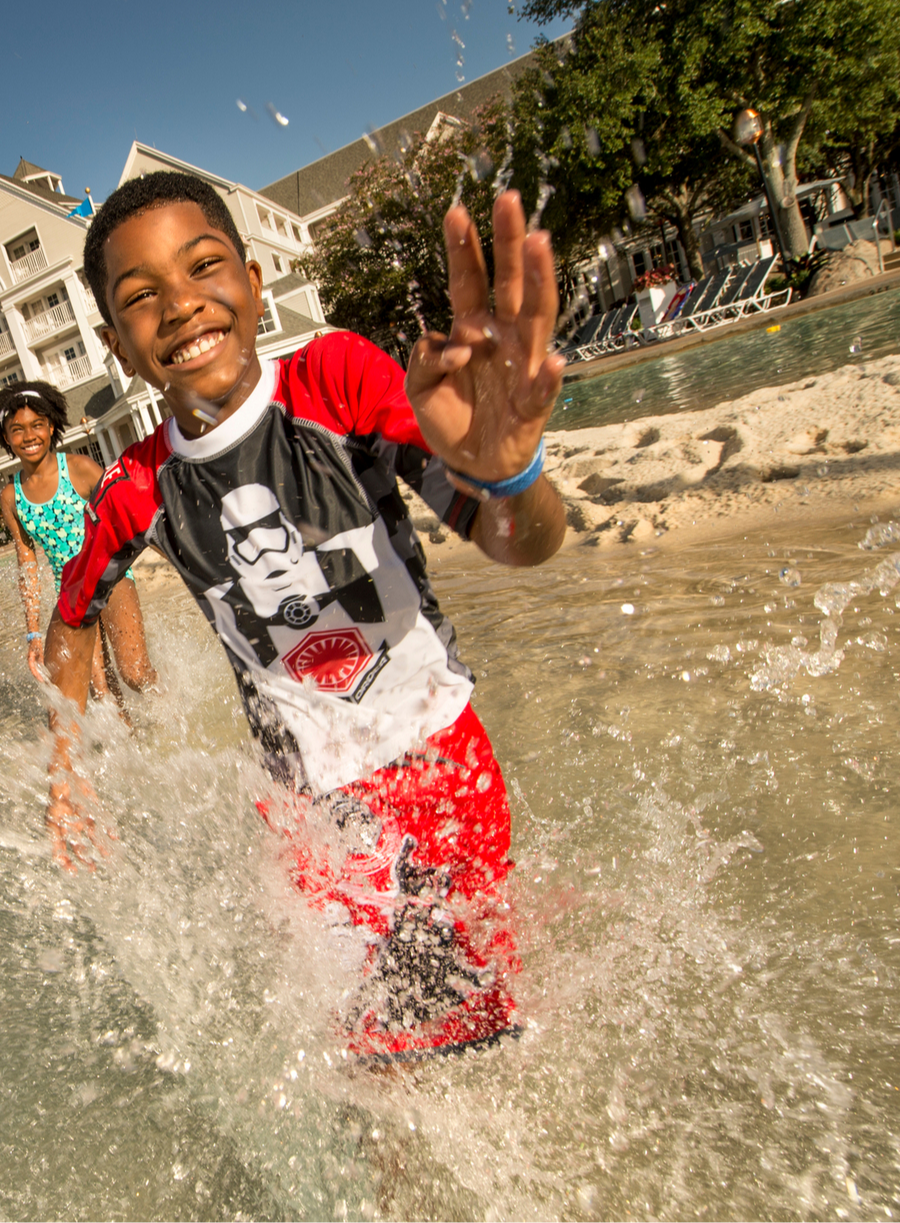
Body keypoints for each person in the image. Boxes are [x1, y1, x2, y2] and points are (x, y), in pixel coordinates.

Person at [42, 172, 567, 1064]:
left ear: (252, 279)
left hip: (440, 757)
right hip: (310, 811)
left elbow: (519, 542)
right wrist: (65, 765)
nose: (179, 305)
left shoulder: (336, 379)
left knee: (475, 1027)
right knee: (365, 1063)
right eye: (141, 298)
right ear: (117, 346)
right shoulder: (139, 486)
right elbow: (73, 616)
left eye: (204, 266)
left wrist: (509, 476)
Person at [0, 380, 156, 698]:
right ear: (6, 437)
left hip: (113, 577)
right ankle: (135, 743)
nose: (29, 436)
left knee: (135, 674)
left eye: (37, 425)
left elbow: (130, 512)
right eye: (17, 429)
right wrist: (33, 633)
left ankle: (176, 717)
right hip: (73, 594)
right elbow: (28, 568)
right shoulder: (12, 497)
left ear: (51, 426)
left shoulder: (79, 469)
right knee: (101, 692)